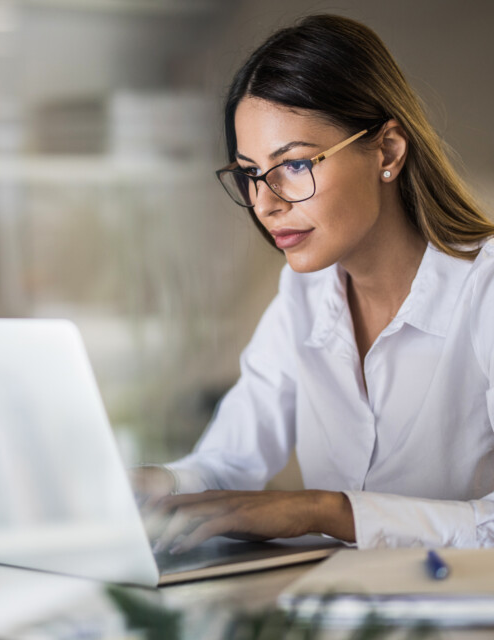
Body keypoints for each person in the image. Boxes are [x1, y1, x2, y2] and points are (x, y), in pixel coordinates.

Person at [131, 13, 494, 553]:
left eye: (295, 165)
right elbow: (231, 459)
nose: (265, 202)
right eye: (250, 173)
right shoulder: (304, 294)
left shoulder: (483, 291)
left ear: (387, 152)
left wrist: (324, 510)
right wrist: (155, 485)